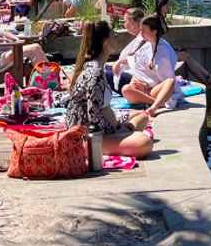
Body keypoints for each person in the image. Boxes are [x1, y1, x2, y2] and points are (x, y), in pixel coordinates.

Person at [65, 20, 153, 158]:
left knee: (141, 117)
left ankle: (125, 134)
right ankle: (116, 139)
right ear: (106, 42)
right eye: (114, 34)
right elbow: (92, 113)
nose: (117, 37)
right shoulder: (95, 72)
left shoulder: (99, 66)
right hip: (91, 135)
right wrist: (115, 131)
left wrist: (118, 125)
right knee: (145, 142)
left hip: (105, 129)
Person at [154, 0, 211, 87]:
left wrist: (171, 46)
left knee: (187, 56)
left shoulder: (161, 17)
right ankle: (207, 81)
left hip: (164, 49)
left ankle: (208, 77)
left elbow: (161, 38)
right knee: (186, 57)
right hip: (159, 53)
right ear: (160, 4)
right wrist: (170, 47)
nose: (168, 6)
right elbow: (155, 39)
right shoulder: (155, 19)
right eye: (166, 4)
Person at [120, 15, 182, 115]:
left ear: (154, 31)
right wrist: (138, 84)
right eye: (141, 30)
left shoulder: (164, 49)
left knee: (170, 82)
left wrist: (148, 86)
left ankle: (155, 106)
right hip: (142, 90)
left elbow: (166, 77)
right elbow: (138, 70)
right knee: (126, 89)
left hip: (156, 89)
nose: (141, 33)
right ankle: (159, 102)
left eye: (144, 30)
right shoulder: (142, 43)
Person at [0, 0, 49, 72]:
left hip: (4, 53)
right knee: (34, 48)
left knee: (36, 47)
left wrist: (15, 38)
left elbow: (2, 32)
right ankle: (47, 79)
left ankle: (48, 77)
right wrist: (2, 40)